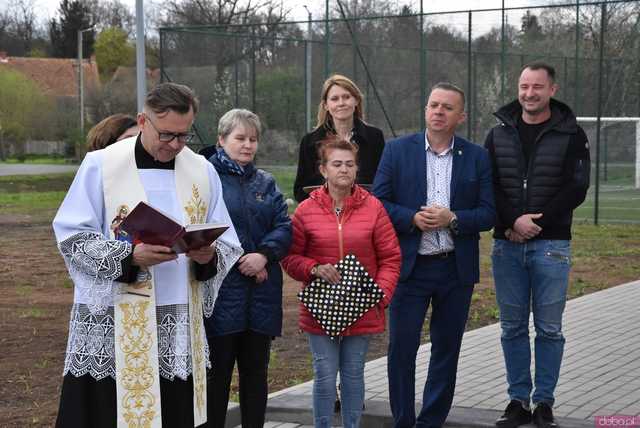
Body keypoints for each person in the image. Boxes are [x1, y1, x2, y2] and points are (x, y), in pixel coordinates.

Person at [53, 82, 243, 428]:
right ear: (144, 121)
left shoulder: (202, 169)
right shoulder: (101, 165)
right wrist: (129, 256)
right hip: (116, 316)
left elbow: (228, 241)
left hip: (177, 319)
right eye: (167, 135)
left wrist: (207, 257)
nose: (175, 146)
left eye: (184, 136)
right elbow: (72, 236)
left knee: (175, 412)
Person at [372, 82, 495, 428]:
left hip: (455, 270)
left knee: (446, 350)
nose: (439, 111)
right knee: (401, 350)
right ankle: (403, 421)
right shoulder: (397, 151)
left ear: (461, 116)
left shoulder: (477, 157)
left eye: (447, 107)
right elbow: (379, 202)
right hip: (409, 269)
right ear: (425, 109)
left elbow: (488, 213)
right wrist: (411, 217)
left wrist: (453, 218)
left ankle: (431, 422)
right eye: (433, 105)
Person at [484, 62, 590, 428]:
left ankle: (544, 403)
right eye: (524, 86)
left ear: (552, 90)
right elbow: (489, 185)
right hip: (506, 246)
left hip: (552, 247)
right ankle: (517, 402)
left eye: (537, 87)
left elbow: (576, 188)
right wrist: (511, 221)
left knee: (549, 330)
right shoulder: (497, 134)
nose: (529, 93)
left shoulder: (572, 134)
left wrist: (534, 223)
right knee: (511, 328)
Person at [282, 137, 401, 428]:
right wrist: (314, 268)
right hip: (320, 309)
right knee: (324, 374)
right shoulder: (306, 210)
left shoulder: (373, 207)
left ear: (357, 169)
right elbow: (290, 257)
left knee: (353, 374)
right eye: (336, 164)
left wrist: (379, 296)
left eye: (349, 164)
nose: (344, 170)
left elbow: (391, 257)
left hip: (361, 308)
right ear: (323, 170)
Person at [204, 109, 292, 428]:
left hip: (261, 296)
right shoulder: (205, 178)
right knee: (217, 376)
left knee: (256, 375)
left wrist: (264, 256)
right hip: (221, 293)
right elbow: (206, 226)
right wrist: (244, 259)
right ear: (221, 139)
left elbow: (283, 225)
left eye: (253, 139)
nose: (247, 145)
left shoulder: (265, 182)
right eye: (240, 138)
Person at [293, 74, 385, 203]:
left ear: (356, 100)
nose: (341, 103)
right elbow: (300, 190)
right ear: (326, 105)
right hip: (323, 215)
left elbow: (383, 184)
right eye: (334, 99)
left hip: (365, 213)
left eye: (346, 97)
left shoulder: (375, 137)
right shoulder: (309, 142)